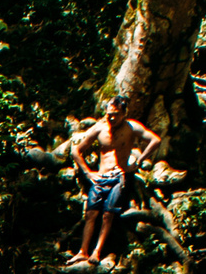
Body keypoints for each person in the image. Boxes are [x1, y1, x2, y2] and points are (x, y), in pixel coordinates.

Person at [67, 95, 164, 265]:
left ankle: (96, 252)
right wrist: (88, 173)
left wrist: (138, 161)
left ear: (124, 113)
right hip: (100, 177)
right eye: (109, 113)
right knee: (90, 214)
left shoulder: (131, 127)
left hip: (119, 177)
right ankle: (83, 251)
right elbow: (76, 150)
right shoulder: (100, 128)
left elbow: (155, 140)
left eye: (115, 114)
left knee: (108, 215)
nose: (111, 117)